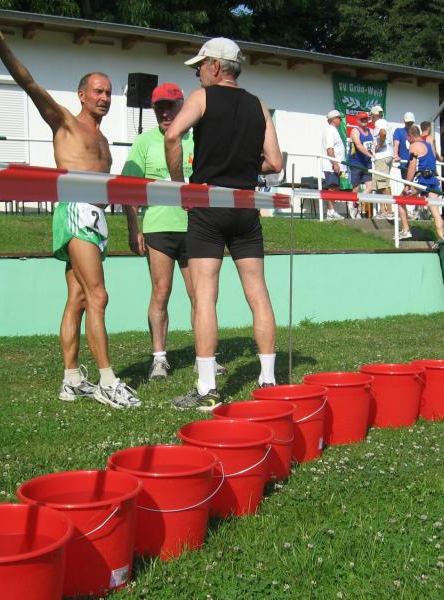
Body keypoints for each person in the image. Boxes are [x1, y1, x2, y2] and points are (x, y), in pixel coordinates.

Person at [0, 20, 140, 408]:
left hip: (96, 219)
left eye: (109, 92)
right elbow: (30, 85)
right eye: (98, 91)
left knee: (79, 298)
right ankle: (107, 382)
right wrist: (3, 50)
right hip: (75, 212)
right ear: (82, 95)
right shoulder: (65, 122)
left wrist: (131, 224)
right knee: (98, 295)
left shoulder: (104, 140)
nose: (104, 97)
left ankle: (71, 379)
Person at [164, 37, 283, 411]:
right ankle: (268, 380)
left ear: (215, 66)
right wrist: (244, 165)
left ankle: (207, 389)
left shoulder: (202, 98)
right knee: (258, 293)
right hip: (246, 206)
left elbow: (172, 135)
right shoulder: (258, 104)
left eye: (200, 66)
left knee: (204, 296)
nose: (198, 74)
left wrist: (180, 186)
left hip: (208, 204)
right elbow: (275, 162)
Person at [121, 83, 199, 381]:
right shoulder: (144, 142)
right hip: (157, 228)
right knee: (161, 292)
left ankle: (204, 358)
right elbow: (127, 188)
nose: (165, 113)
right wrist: (133, 228)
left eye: (170, 106)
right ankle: (159, 359)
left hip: (195, 228)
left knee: (199, 294)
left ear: (182, 106)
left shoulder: (198, 138)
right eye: (159, 108)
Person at [405, 124, 444, 240]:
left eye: (408, 138)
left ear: (411, 136)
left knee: (400, 199)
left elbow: (412, 167)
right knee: (435, 212)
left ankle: (406, 229)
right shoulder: (428, 144)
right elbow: (433, 161)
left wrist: (407, 184)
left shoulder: (413, 146)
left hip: (421, 179)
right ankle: (441, 239)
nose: (408, 141)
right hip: (433, 179)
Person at [369, 105, 394, 218]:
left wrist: (379, 145)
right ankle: (383, 210)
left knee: (383, 184)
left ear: (374, 115)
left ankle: (388, 211)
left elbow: (382, 133)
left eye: (371, 116)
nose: (371, 118)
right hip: (385, 156)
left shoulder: (380, 123)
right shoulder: (385, 122)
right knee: (380, 184)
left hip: (383, 157)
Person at [320, 110, 346, 220]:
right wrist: (335, 164)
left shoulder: (333, 130)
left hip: (335, 166)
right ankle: (330, 211)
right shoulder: (330, 130)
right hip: (331, 166)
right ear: (333, 119)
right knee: (332, 187)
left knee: (335, 187)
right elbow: (329, 149)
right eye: (339, 118)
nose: (341, 120)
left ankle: (332, 211)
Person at [348, 111, 374, 218]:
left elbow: (374, 145)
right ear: (358, 120)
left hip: (367, 163)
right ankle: (353, 204)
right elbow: (358, 145)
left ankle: (356, 203)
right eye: (362, 119)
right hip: (356, 162)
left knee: (370, 187)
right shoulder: (355, 131)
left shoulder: (371, 131)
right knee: (356, 186)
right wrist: (371, 155)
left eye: (366, 119)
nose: (364, 121)